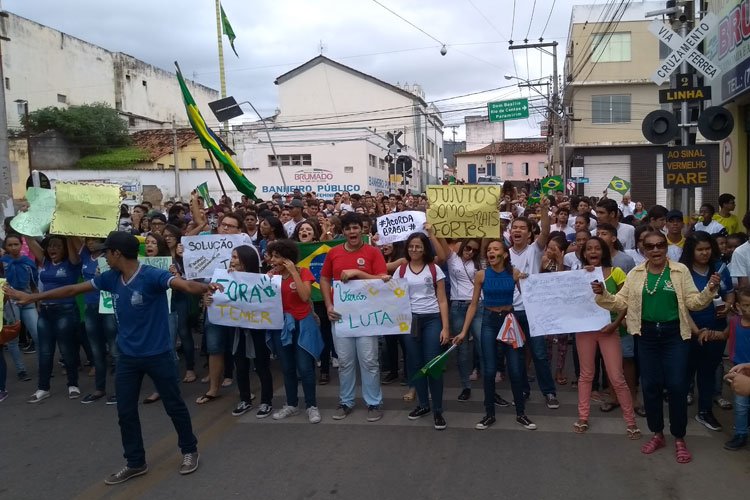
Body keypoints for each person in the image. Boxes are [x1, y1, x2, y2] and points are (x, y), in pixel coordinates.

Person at [3, 231, 223, 483]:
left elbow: (183, 285)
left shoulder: (152, 275)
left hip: (159, 354)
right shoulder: (110, 278)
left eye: (107, 251)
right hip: (127, 357)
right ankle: (135, 462)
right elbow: (73, 288)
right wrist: (34, 296)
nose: (104, 255)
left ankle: (189, 450)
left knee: (174, 406)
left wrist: (206, 286)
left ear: (117, 253)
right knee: (125, 412)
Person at [592, 230, 721, 464]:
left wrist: (710, 289)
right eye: (650, 246)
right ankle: (657, 433)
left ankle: (679, 437)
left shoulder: (680, 271)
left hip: (675, 335)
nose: (655, 250)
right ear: (643, 250)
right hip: (647, 335)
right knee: (650, 386)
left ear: (666, 247)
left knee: (676, 385)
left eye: (660, 245)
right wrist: (603, 294)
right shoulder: (636, 274)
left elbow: (693, 303)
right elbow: (621, 302)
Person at [454, 239, 535, 430]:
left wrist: (529, 280)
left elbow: (531, 296)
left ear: (504, 254)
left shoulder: (514, 274)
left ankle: (521, 413)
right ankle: (489, 414)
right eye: (489, 249)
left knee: (515, 369)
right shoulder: (481, 275)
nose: (491, 252)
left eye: (496, 249)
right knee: (489, 370)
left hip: (509, 321)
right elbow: (474, 304)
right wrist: (464, 331)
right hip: (489, 321)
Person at [320, 212, 388, 422]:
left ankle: (374, 402)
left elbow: (382, 280)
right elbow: (324, 279)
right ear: (343, 232)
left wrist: (358, 273)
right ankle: (346, 401)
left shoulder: (373, 253)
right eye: (348, 228)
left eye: (356, 228)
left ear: (362, 230)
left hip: (367, 317)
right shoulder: (333, 253)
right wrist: (328, 304)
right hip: (341, 316)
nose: (352, 232)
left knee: (369, 361)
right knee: (346, 362)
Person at [575, 237, 640, 438]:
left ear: (603, 252)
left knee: (616, 377)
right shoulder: (577, 276)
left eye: (597, 248)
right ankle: (583, 417)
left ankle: (630, 421)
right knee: (586, 375)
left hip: (608, 330)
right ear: (584, 253)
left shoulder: (616, 273)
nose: (593, 252)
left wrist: (615, 323)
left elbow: (625, 300)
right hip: (585, 330)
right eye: (589, 249)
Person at [679, 233, 735, 432]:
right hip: (689, 330)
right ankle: (678, 415)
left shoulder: (720, 268)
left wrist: (728, 305)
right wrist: (696, 330)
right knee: (685, 371)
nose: (705, 253)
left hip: (715, 330)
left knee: (708, 372)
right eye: (700, 249)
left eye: (707, 249)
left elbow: (729, 292)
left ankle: (704, 411)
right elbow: (681, 306)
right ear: (691, 251)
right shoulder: (682, 271)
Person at [508, 197, 560, 410]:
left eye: (522, 228)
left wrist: (545, 210)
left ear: (530, 233)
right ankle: (522, 391)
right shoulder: (504, 254)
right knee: (517, 356)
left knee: (539, 354)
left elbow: (546, 232)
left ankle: (549, 392)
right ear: (510, 232)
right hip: (511, 312)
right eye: (514, 228)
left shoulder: (535, 250)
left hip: (533, 311)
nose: (517, 230)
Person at [18, 234, 82, 402]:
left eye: (57, 246)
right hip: (45, 313)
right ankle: (43, 388)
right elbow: (30, 241)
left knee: (67, 351)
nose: (52, 249)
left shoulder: (73, 263)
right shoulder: (45, 262)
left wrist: (66, 229)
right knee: (45, 352)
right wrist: (26, 220)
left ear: (65, 249)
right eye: (50, 246)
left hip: (66, 311)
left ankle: (73, 385)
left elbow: (72, 245)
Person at [397, 231, 450, 430]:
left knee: (433, 364)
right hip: (409, 322)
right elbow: (393, 296)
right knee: (415, 363)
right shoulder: (401, 270)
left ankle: (437, 409)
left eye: (418, 246)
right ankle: (423, 405)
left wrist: (445, 327)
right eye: (411, 246)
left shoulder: (434, 269)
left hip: (432, 319)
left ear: (425, 248)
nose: (414, 249)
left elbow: (443, 300)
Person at [266, 239, 324, 423]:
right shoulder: (270, 276)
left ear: (288, 259)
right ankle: (291, 404)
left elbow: (305, 296)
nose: (273, 260)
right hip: (280, 326)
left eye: (278, 257)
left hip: (302, 324)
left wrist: (293, 273)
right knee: (287, 367)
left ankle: (311, 406)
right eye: (272, 256)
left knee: (305, 367)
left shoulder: (303, 272)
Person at [219, 245, 274, 419]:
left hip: (257, 330)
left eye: (235, 257)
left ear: (246, 260)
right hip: (237, 329)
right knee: (240, 366)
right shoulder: (227, 279)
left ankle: (266, 401)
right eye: (232, 257)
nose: (232, 260)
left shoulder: (262, 279)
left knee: (261, 366)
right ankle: (245, 399)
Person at [698, 287, 750, 450]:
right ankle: (740, 434)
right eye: (745, 305)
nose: (748, 309)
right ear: (738, 305)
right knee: (740, 405)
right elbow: (723, 335)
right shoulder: (734, 321)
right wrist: (709, 333)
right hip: (738, 371)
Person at [438, 238, 485, 401]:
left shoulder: (480, 262)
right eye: (468, 247)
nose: (470, 251)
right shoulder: (452, 258)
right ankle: (466, 386)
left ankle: (489, 386)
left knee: (482, 344)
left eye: (474, 250)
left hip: (478, 305)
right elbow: (441, 242)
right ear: (462, 246)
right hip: (458, 306)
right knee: (461, 348)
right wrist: (432, 231)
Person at [78, 237, 118, 405]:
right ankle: (99, 389)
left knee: (115, 350)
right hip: (90, 307)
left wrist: (104, 276)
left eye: (94, 240)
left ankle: (119, 390)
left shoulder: (111, 258)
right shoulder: (84, 257)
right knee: (96, 351)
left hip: (108, 308)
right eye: (88, 240)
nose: (91, 243)